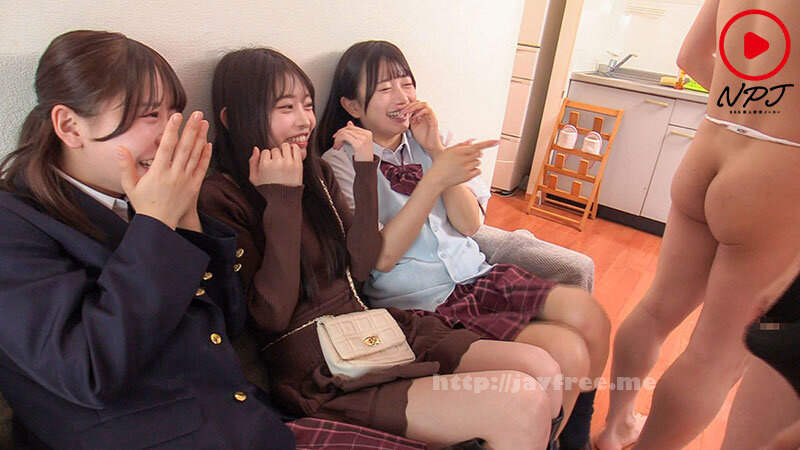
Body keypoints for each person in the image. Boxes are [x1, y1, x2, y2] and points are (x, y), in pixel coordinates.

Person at [0, 30, 435, 450]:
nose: (170, 135)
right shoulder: (16, 223)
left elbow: (226, 322)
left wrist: (187, 220)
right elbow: (89, 369)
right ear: (70, 126)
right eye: (149, 115)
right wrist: (157, 223)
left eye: (173, 114)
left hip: (248, 419)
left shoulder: (144, 196)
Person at [198, 47, 567, 449]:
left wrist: (364, 169)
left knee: (542, 368)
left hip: (372, 329)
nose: (305, 120)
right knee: (520, 403)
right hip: (320, 367)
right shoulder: (221, 197)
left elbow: (361, 266)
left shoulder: (316, 172)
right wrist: (282, 202)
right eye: (286, 107)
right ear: (233, 119)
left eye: (307, 104)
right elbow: (271, 315)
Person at [317, 40, 610, 449]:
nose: (401, 97)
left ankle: (573, 440)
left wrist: (437, 151)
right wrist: (435, 180)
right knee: (568, 354)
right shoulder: (340, 164)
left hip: (477, 275)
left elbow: (470, 224)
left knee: (591, 318)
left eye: (406, 83)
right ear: (351, 106)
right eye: (384, 88)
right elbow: (380, 258)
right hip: (423, 301)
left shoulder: (434, 139)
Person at [596, 1, 800, 448]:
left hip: (711, 143)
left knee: (655, 310)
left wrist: (746, 107)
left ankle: (614, 429)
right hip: (781, 167)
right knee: (714, 357)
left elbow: (690, 57)